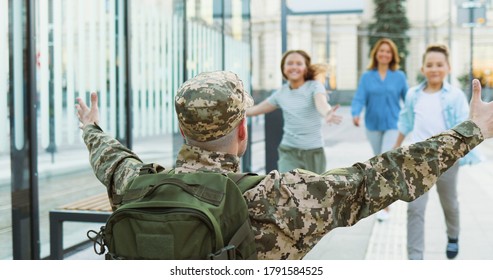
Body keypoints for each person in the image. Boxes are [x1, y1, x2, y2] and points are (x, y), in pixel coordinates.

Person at [76, 70, 490, 260]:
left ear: (184, 131)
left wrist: (91, 127)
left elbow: (110, 158)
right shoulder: (283, 195)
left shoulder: (135, 185)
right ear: (243, 131)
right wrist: (471, 131)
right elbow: (381, 176)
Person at [394, 44, 481, 260]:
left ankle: (453, 235)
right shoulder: (414, 94)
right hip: (417, 161)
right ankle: (415, 260)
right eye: (429, 65)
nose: (434, 69)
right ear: (423, 68)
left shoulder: (454, 95)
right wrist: (395, 149)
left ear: (448, 68)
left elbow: (465, 124)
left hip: (447, 160)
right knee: (415, 209)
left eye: (439, 65)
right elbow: (406, 123)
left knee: (449, 203)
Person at [246, 50, 341, 174]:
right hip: (289, 151)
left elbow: (321, 102)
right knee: (288, 189)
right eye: (290, 63)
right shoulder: (280, 94)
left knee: (314, 192)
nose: (294, 67)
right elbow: (255, 110)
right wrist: (234, 111)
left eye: (299, 63)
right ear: (283, 68)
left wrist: (328, 113)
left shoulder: (314, 86)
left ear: (305, 68)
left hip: (314, 152)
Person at [350, 38, 409, 221]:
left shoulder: (399, 76)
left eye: (388, 51)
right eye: (381, 51)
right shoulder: (367, 76)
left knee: (384, 160)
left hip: (393, 124)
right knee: (377, 163)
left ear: (392, 56)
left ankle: (384, 206)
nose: (384, 54)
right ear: (376, 54)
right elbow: (359, 97)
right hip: (373, 125)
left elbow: (408, 99)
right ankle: (381, 201)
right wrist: (355, 113)